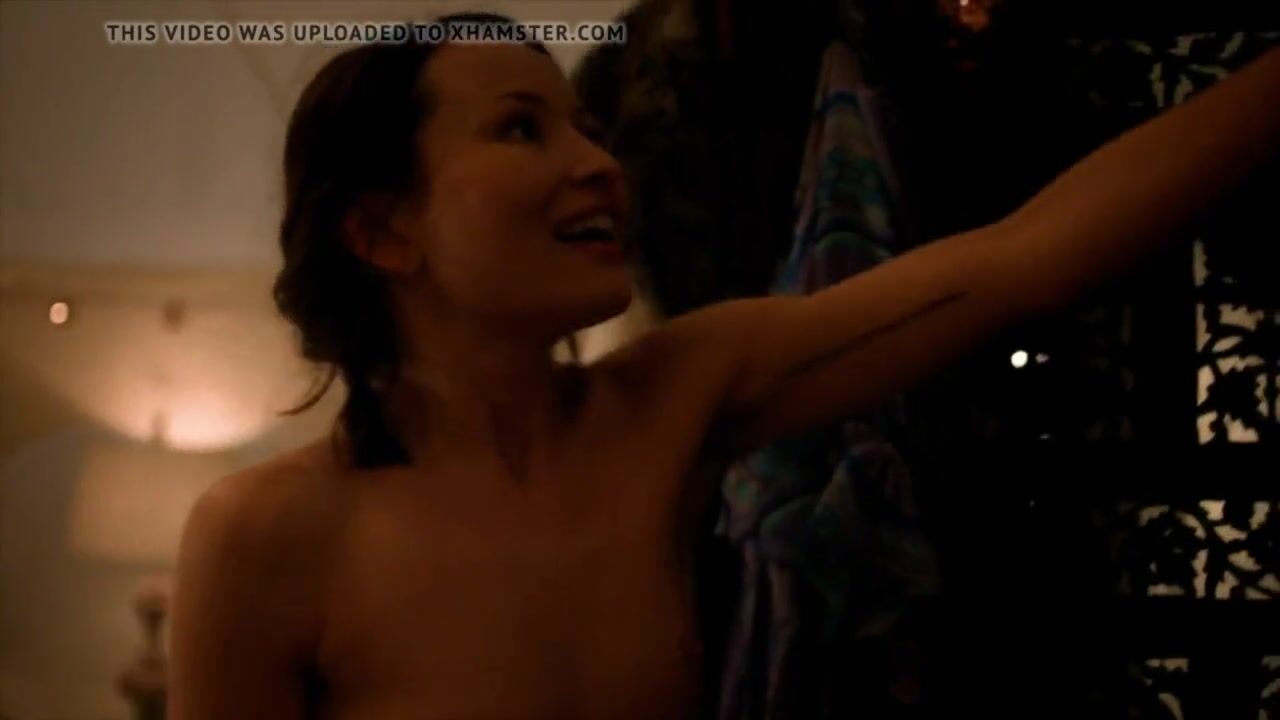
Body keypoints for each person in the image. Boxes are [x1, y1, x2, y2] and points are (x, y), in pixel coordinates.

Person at [166, 11, 1280, 720]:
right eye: (521, 130)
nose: (598, 164)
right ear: (381, 230)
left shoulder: (675, 400)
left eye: (586, 128)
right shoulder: (265, 536)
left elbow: (1024, 261)